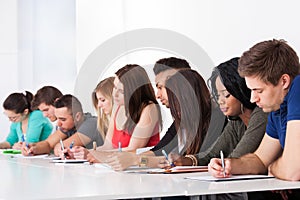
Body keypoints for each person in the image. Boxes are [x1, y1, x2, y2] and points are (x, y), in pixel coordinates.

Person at [209, 39, 300, 199]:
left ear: (284, 81)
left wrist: (273, 167)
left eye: (258, 90)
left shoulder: (298, 87)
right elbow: (260, 159)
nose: (252, 99)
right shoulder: (277, 108)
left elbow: (292, 171)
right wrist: (230, 165)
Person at [104, 69, 212, 170]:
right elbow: (159, 152)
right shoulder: (181, 121)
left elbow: (202, 159)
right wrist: (133, 160)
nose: (158, 95)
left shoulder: (214, 119)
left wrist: (135, 160)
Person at [168, 57, 268, 167]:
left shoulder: (261, 115)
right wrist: (187, 160)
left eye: (226, 95)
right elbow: (212, 154)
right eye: (217, 95)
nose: (220, 101)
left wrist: (218, 165)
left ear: (241, 90)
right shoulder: (236, 121)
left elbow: (235, 159)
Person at [67, 64, 162, 161]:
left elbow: (133, 149)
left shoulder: (149, 109)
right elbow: (108, 146)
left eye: (121, 91)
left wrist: (93, 154)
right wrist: (83, 153)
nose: (114, 94)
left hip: (143, 168)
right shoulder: (118, 108)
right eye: (115, 87)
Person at [22, 94, 103, 156]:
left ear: (77, 116)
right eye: (58, 119)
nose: (58, 123)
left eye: (63, 119)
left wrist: (58, 147)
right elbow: (48, 144)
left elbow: (62, 146)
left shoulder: (92, 123)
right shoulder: (68, 126)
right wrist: (32, 148)